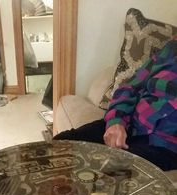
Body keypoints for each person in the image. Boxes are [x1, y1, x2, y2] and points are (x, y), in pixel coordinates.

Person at [53, 39, 177, 171]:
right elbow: (130, 87)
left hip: (165, 146)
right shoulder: (170, 51)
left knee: (107, 174)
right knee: (59, 145)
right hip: (130, 125)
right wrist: (116, 122)